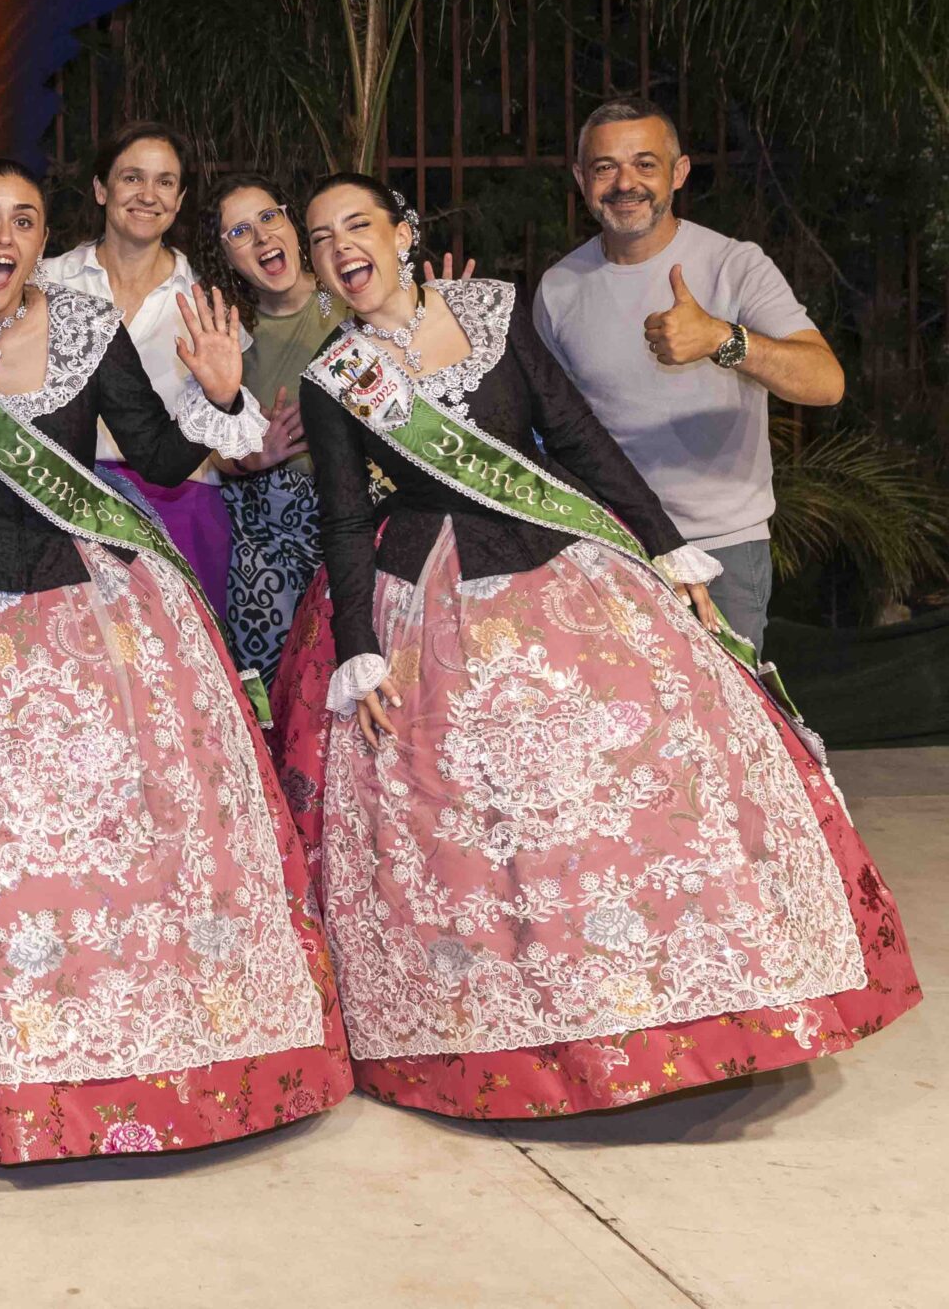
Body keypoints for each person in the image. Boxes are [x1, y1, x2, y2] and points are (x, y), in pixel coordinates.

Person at [275, 172, 916, 1119]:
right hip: (425, 587)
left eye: (357, 225)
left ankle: (677, 996)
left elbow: (575, 437)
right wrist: (360, 649)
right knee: (476, 814)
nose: (341, 248)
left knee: (638, 767)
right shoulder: (335, 377)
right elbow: (340, 519)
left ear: (403, 234)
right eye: (322, 237)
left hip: (555, 565)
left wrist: (665, 543)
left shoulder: (493, 310)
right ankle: (513, 1025)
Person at [0, 161, 350, 1164]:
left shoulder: (88, 325)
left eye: (24, 221)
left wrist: (221, 394)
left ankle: (146, 1045)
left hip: (94, 599)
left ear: (42, 242)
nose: (2, 236)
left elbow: (159, 455)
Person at [533, 97, 845, 647]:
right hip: (610, 546)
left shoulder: (734, 265)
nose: (625, 183)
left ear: (678, 173)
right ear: (581, 179)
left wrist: (722, 340)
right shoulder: (558, 288)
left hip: (720, 548)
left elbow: (826, 382)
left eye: (645, 164)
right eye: (605, 167)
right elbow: (549, 429)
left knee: (726, 705)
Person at [43, 125, 237, 613]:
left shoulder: (207, 297)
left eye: (165, 182)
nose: (148, 195)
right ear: (101, 188)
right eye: (132, 178)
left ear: (179, 200)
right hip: (59, 500)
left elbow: (227, 422)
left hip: (180, 505)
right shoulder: (44, 282)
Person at [199, 172, 337, 682]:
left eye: (268, 217)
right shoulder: (227, 332)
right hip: (265, 534)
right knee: (269, 683)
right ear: (225, 255)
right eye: (239, 232)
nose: (261, 237)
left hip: (354, 519)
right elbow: (210, 446)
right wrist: (257, 457)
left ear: (291, 222)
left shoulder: (349, 299)